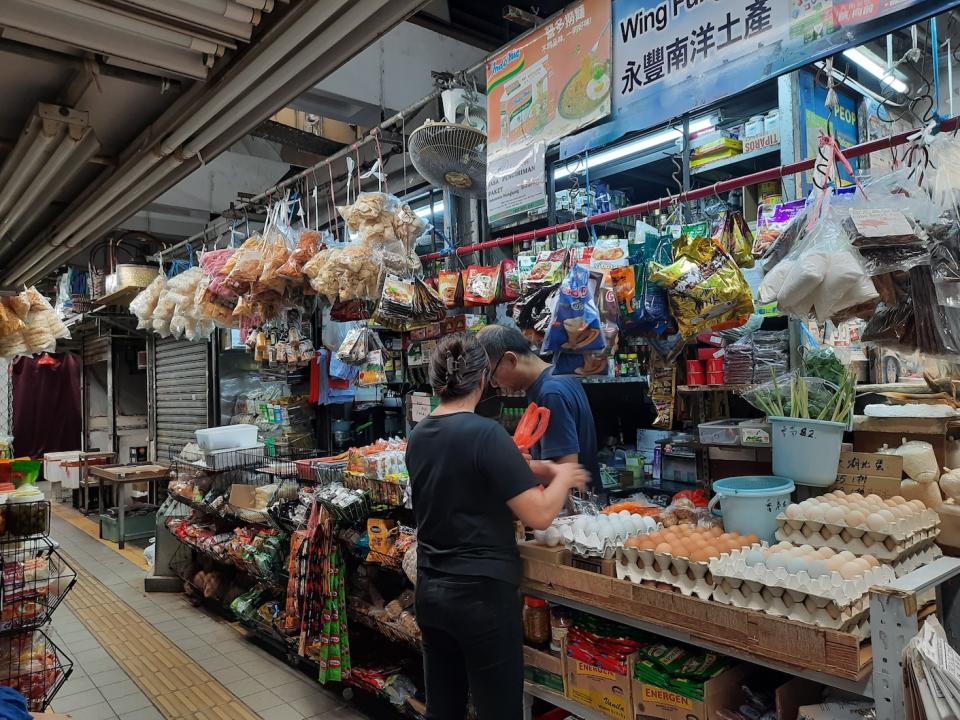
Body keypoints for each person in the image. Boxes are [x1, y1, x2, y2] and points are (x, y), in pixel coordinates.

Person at [406, 332, 589, 720]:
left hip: (432, 591)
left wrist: (542, 468)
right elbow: (538, 514)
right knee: (498, 709)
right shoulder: (486, 433)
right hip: (482, 598)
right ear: (484, 378)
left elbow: (475, 470)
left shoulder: (419, 436)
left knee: (445, 707)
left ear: (437, 380)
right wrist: (564, 476)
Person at [477, 324, 601, 491]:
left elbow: (567, 472)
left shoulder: (550, 393)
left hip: (572, 511)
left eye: (492, 375)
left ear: (510, 360)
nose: (495, 384)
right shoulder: (555, 379)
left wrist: (503, 463)